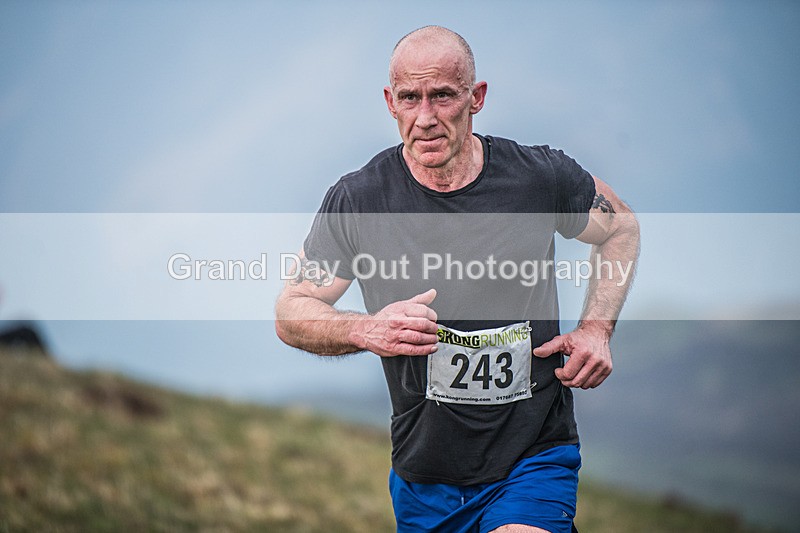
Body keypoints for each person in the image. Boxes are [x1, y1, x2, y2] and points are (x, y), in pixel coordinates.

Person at [275, 26, 640, 533]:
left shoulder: (538, 178)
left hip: (532, 453)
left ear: (476, 97)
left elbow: (619, 224)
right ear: (390, 102)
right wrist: (365, 329)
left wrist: (597, 327)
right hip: (425, 473)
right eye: (410, 98)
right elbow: (292, 310)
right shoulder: (360, 200)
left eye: (443, 96)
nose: (425, 118)